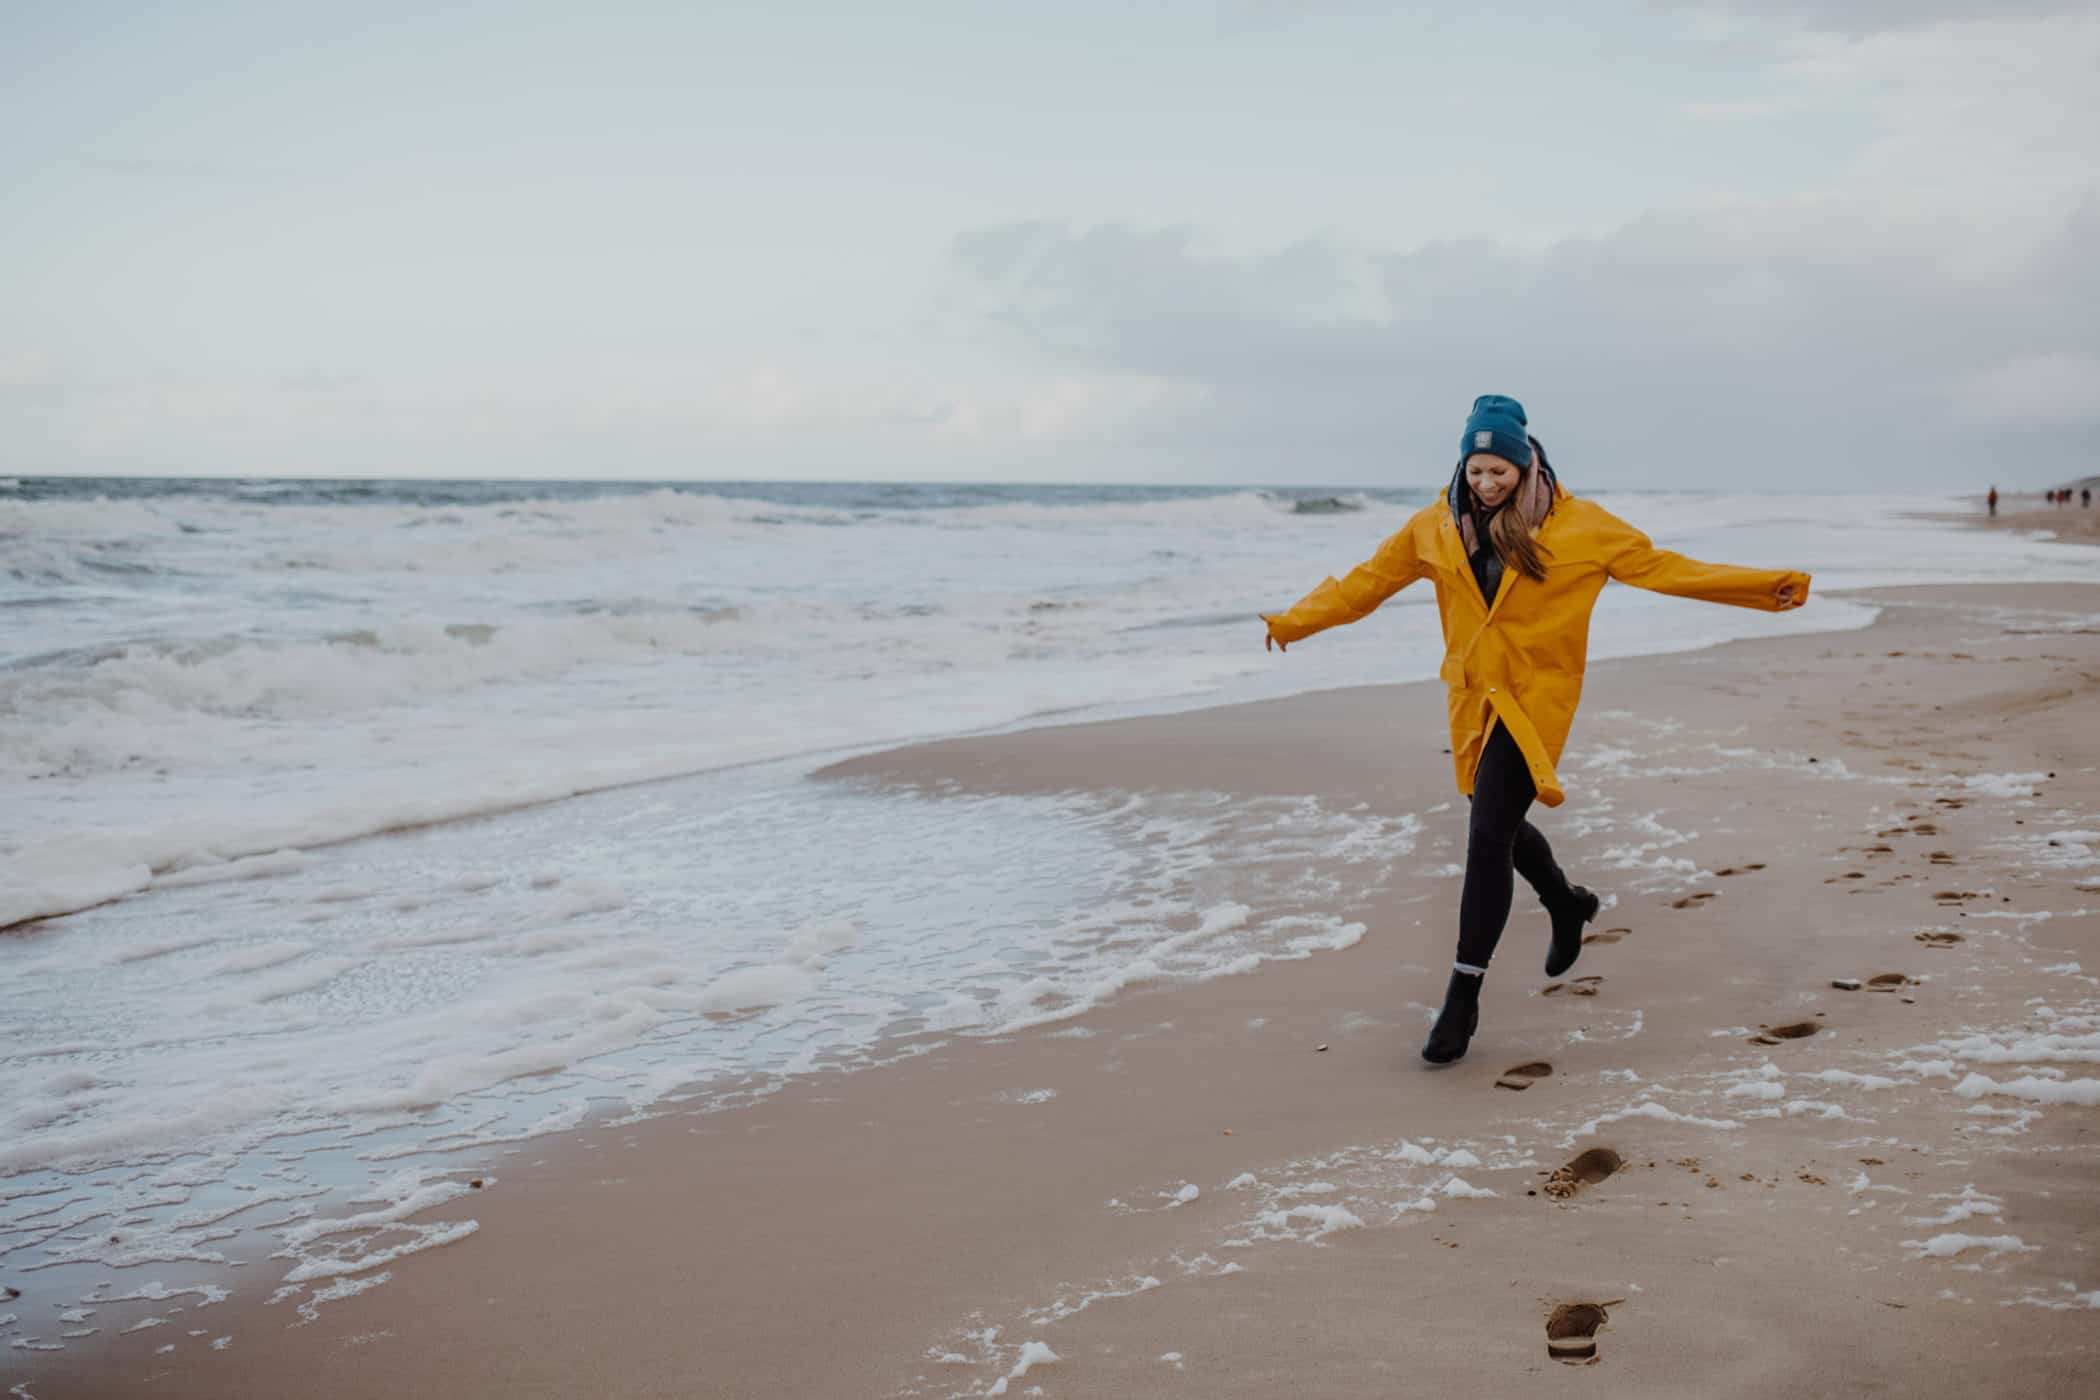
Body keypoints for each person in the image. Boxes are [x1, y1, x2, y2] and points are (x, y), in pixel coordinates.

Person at [1261, 394, 1810, 1066]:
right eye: (1476, 471)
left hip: (1537, 701)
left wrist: (1764, 587)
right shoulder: (1434, 528)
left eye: (1500, 472)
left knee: (1488, 832)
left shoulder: (1583, 528)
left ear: (1526, 464)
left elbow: (1667, 569)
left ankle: (1462, 996)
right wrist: (1294, 621)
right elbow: (1365, 584)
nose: (1487, 485)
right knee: (1493, 818)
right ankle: (1566, 900)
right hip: (1473, 700)